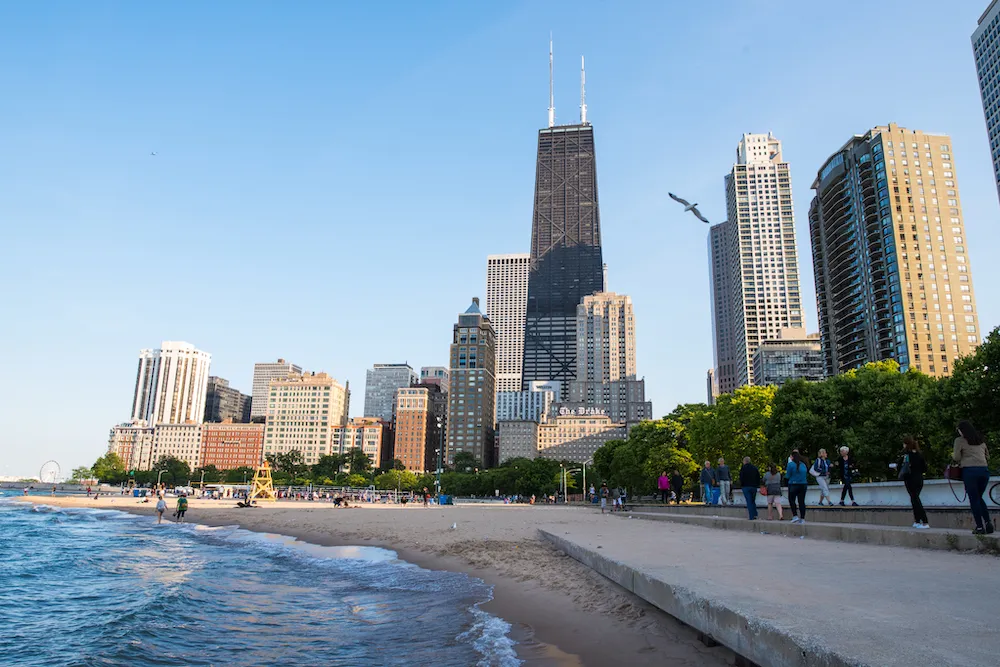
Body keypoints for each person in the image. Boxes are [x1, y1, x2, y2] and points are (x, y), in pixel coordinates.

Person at [953, 420, 993, 535]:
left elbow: (956, 457)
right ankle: (988, 522)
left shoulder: (959, 440)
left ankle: (980, 527)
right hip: (984, 471)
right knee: (979, 498)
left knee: (974, 499)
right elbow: (987, 456)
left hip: (970, 471)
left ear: (961, 430)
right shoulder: (981, 440)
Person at [900, 437, 929, 529]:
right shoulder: (919, 454)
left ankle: (924, 521)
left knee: (915, 500)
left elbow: (902, 466)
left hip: (910, 479)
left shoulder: (906, 455)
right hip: (919, 479)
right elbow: (924, 468)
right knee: (914, 499)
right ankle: (917, 520)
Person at [786, 451, 809, 524]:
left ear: (792, 457)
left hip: (793, 484)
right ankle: (802, 518)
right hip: (803, 484)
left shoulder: (791, 465)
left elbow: (788, 475)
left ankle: (795, 515)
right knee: (801, 501)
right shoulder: (803, 465)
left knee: (792, 500)